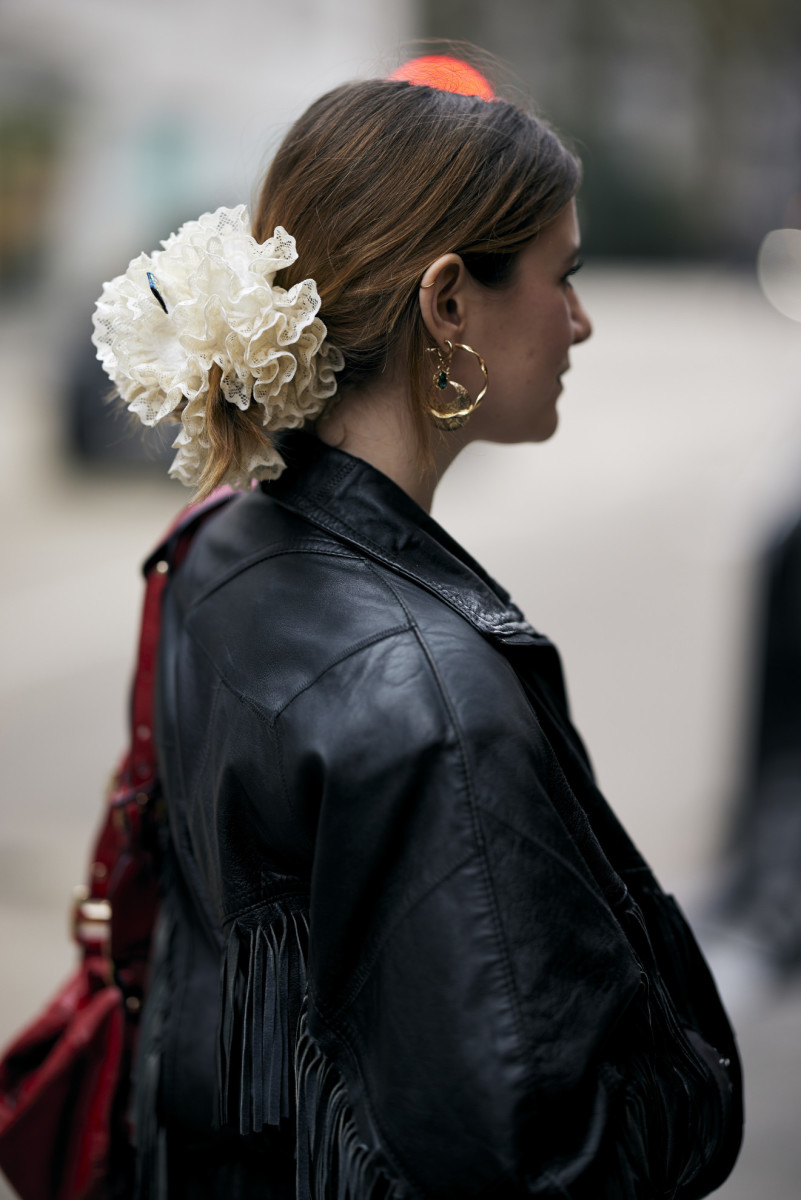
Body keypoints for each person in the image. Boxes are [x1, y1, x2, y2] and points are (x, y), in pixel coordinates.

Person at [92, 57, 743, 1200]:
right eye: (564, 275)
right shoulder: (437, 710)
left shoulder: (212, 549)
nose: (582, 322)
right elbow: (542, 1164)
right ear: (447, 303)